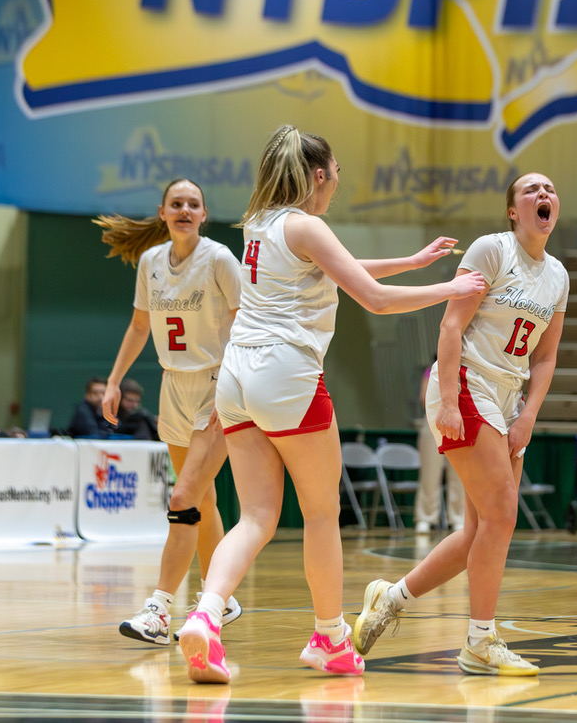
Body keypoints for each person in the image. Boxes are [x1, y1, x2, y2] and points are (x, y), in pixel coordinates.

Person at [179, 125, 486, 684]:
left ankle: (205, 615)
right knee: (322, 514)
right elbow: (372, 298)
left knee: (255, 516)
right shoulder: (306, 224)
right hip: (285, 372)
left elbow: (333, 269)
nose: (338, 181)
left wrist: (414, 263)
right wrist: (451, 289)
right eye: (337, 171)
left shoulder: (261, 223)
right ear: (318, 174)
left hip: (236, 377)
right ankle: (330, 638)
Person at [351, 171, 568, 678]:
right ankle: (479, 641)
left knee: (480, 530)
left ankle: (390, 598)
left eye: (550, 189)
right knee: (502, 514)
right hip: (466, 384)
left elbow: (547, 358)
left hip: (509, 399)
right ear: (513, 211)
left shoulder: (557, 275)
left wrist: (529, 415)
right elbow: (450, 324)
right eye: (530, 190)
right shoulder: (492, 249)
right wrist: (447, 400)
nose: (543, 195)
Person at [95, 178, 244, 647]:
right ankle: (223, 597)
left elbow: (248, 322)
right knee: (201, 500)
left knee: (182, 498)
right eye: (176, 203)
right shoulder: (150, 262)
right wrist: (115, 380)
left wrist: (236, 388)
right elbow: (141, 325)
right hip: (172, 386)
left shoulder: (220, 259)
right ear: (163, 212)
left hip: (217, 384)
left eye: (193, 204)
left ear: (204, 214)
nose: (184, 209)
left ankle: (159, 608)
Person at [414, 358, 464, 534]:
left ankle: (458, 518)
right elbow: (423, 398)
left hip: (459, 423)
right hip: (432, 422)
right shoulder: (430, 371)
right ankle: (425, 518)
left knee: (459, 474)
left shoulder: (464, 368)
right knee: (429, 473)